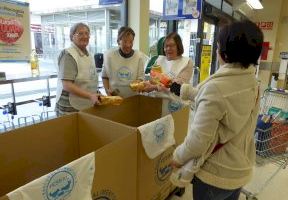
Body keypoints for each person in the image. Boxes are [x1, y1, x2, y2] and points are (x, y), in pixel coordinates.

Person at [170, 20, 263, 200]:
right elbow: (223, 101)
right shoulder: (253, 82)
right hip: (240, 168)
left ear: (226, 52)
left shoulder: (216, 88)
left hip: (216, 174)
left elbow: (198, 141)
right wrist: (182, 90)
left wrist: (178, 157)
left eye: (218, 45)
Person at [56, 23, 100, 116]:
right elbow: (67, 85)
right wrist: (90, 96)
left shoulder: (89, 55)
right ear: (72, 37)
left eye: (87, 33)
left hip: (85, 104)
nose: (85, 36)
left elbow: (89, 80)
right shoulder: (68, 55)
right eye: (80, 33)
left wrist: (97, 93)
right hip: (70, 106)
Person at [143, 32, 193, 114]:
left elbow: (177, 86)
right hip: (158, 104)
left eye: (172, 45)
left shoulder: (186, 62)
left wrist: (154, 87)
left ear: (178, 46)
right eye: (166, 46)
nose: (168, 49)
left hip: (175, 105)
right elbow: (153, 80)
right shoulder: (159, 60)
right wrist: (146, 84)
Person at [102, 26, 147, 98]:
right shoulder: (109, 55)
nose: (128, 45)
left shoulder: (139, 56)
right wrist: (108, 91)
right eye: (125, 41)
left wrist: (137, 83)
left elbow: (141, 77)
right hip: (115, 96)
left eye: (131, 42)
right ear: (118, 41)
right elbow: (105, 76)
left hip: (133, 97)